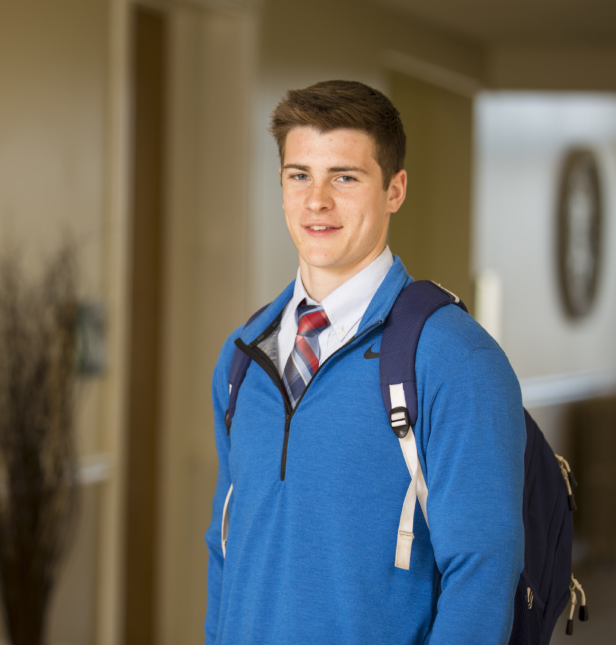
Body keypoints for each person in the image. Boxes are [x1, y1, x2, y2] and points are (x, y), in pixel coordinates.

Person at [204, 80, 525, 644]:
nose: (316, 201)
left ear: (394, 190)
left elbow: (483, 572)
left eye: (344, 178)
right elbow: (225, 549)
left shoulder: (456, 360)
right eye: (299, 175)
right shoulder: (242, 357)